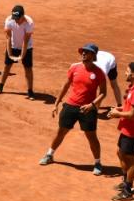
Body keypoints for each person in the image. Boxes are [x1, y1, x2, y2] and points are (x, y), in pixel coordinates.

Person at [40, 43, 108, 174]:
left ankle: (98, 163)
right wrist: (56, 103)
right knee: (61, 132)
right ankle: (49, 155)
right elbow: (65, 86)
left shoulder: (99, 72)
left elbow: (103, 92)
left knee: (91, 136)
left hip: (88, 109)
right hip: (70, 106)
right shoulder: (74, 68)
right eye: (83, 51)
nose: (83, 53)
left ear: (93, 55)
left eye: (87, 52)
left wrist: (92, 105)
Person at [105, 62, 134, 201]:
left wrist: (117, 114)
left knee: (130, 159)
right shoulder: (133, 88)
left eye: (127, 71)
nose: (125, 73)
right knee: (120, 152)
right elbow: (128, 109)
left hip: (133, 131)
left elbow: (133, 115)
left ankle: (128, 190)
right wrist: (118, 110)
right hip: (127, 129)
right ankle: (125, 182)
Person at [0, 5, 34, 98]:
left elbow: (25, 41)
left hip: (27, 47)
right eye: (14, 18)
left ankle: (30, 91)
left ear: (23, 15)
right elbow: (8, 37)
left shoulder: (29, 23)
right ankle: (0, 86)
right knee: (6, 66)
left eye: (18, 18)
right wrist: (10, 54)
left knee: (28, 69)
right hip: (13, 45)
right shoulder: (9, 20)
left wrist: (22, 56)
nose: (16, 20)